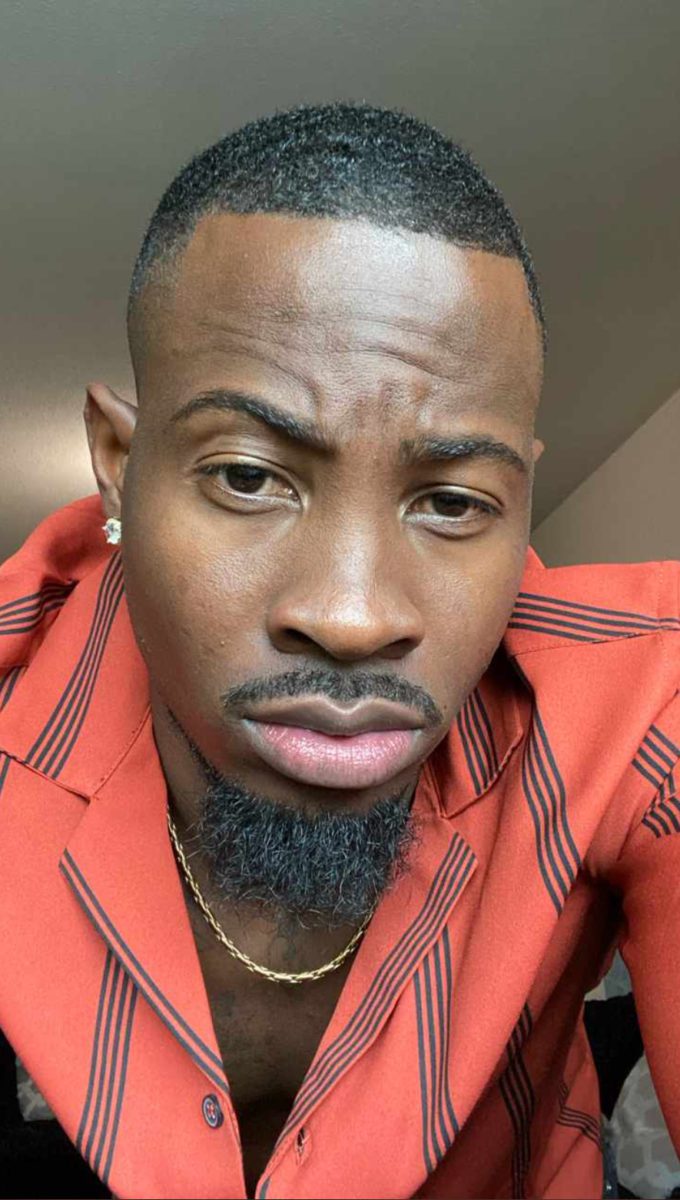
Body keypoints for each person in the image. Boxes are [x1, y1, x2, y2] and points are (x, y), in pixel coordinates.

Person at [0, 100, 678, 1200]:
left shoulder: (636, 714)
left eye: (451, 500)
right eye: (248, 476)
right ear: (120, 463)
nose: (354, 617)